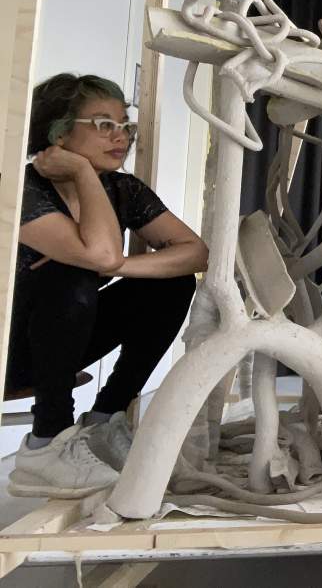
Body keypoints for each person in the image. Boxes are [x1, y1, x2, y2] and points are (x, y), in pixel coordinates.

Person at [5, 74, 208, 497]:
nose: (121, 136)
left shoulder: (121, 189)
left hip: (58, 342)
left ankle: (104, 420)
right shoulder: (20, 189)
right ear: (59, 133)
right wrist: (82, 170)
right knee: (72, 270)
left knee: (170, 283)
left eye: (124, 125)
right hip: (10, 352)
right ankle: (45, 443)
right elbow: (99, 256)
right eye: (103, 124)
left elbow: (195, 252)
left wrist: (123, 266)